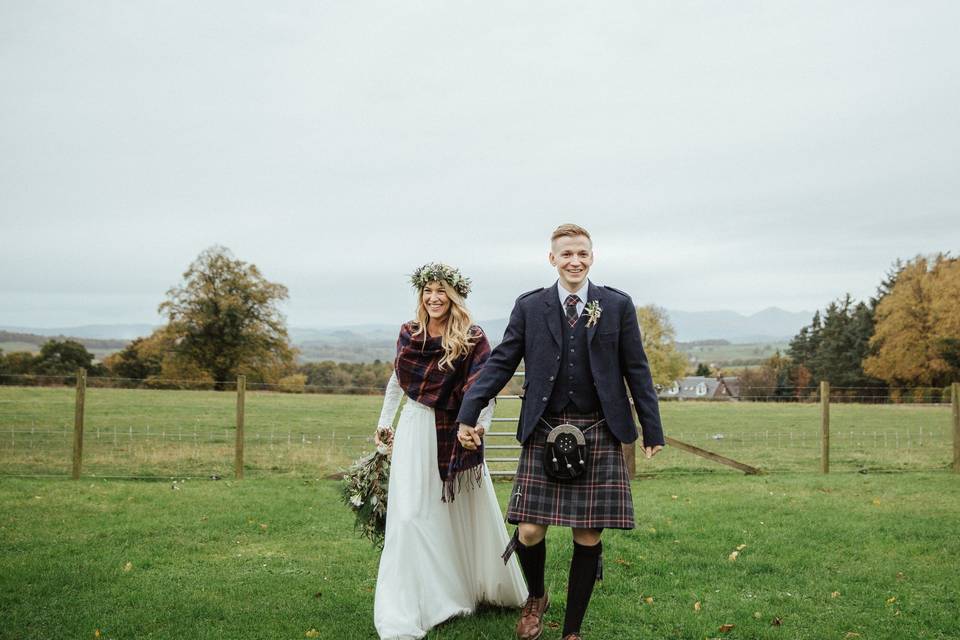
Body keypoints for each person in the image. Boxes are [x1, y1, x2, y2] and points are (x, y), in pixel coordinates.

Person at [456, 224, 665, 640]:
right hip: (545, 426)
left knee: (587, 534)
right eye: (567, 254)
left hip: (599, 427)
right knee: (530, 530)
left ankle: (572, 630)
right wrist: (469, 410)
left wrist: (651, 428)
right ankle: (536, 597)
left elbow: (636, 369)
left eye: (582, 254)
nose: (575, 261)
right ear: (552, 258)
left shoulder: (617, 305)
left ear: (592, 257)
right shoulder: (531, 306)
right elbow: (501, 362)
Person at [373, 262, 526, 640]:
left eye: (441, 291)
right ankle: (414, 604)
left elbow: (485, 387)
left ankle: (461, 591)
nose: (434, 298)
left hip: (456, 430)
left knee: (457, 515)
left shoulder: (473, 338)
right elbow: (397, 380)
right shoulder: (409, 334)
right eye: (427, 291)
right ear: (420, 296)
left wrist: (478, 427)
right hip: (414, 428)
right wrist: (384, 422)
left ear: (454, 296)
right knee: (409, 516)